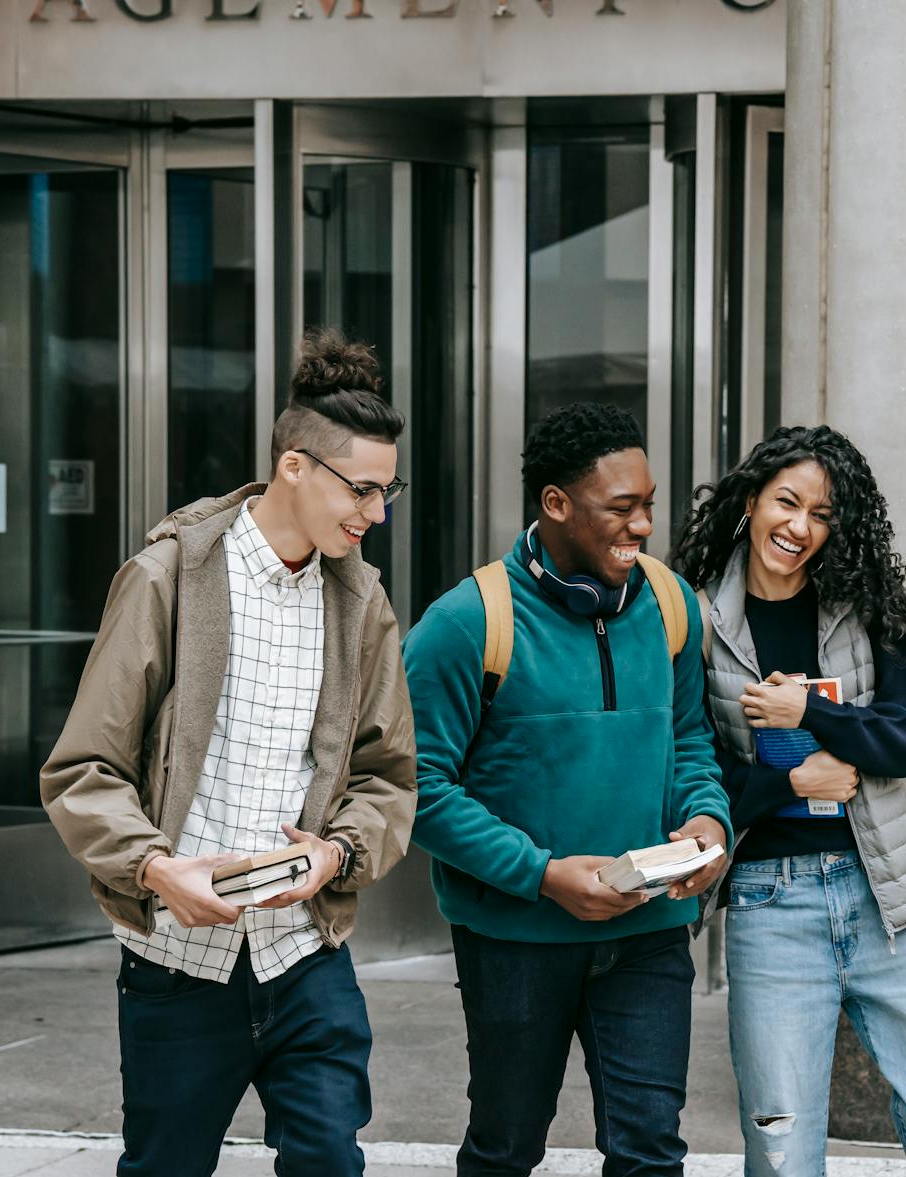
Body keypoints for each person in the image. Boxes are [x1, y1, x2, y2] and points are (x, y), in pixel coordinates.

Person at [39, 328, 418, 1177]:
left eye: (390, 492)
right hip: (177, 962)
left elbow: (385, 773)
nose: (377, 514)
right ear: (294, 466)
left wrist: (339, 850)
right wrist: (156, 868)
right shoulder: (169, 577)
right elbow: (82, 770)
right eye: (362, 490)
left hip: (304, 953)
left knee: (328, 1160)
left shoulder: (360, 601)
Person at [402, 402, 732, 1177]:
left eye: (649, 504)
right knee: (506, 1146)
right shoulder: (464, 622)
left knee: (650, 1150)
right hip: (516, 941)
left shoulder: (674, 604)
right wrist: (544, 874)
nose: (644, 525)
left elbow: (689, 740)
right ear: (555, 504)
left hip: (650, 930)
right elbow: (418, 786)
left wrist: (706, 819)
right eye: (622, 508)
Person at [670, 425, 906, 1177]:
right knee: (781, 1147)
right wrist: (792, 781)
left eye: (822, 514)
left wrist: (810, 713)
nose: (800, 527)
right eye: (787, 502)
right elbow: (696, 775)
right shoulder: (695, 620)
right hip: (768, 904)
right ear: (752, 501)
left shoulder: (864, 603)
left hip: (887, 901)